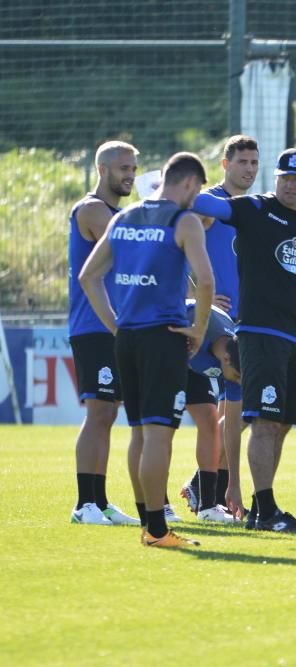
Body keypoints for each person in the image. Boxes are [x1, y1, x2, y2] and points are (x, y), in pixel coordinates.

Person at [192, 147, 296, 533]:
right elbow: (207, 204)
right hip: (259, 333)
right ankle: (265, 510)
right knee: (266, 422)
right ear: (276, 179)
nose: (290, 184)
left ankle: (261, 506)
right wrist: (173, 191)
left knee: (282, 423)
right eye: (284, 176)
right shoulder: (254, 208)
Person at [79, 152, 214, 548]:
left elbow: (89, 276)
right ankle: (157, 530)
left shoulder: (124, 217)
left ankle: (149, 525)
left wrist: (115, 325)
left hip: (129, 338)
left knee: (140, 433)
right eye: (198, 190)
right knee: (159, 435)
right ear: (189, 184)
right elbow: (205, 283)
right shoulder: (184, 220)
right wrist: (199, 329)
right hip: (165, 335)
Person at [179, 135, 259, 519]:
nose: (248, 169)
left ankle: (203, 485)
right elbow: (177, 250)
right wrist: (199, 299)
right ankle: (205, 489)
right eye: (242, 161)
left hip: (246, 321)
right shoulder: (210, 204)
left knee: (240, 413)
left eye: (254, 162)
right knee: (230, 414)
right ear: (225, 165)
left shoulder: (253, 208)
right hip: (211, 326)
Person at [67, 140, 141, 527]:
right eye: (123, 168)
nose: (130, 175)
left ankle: (101, 501)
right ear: (103, 170)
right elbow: (132, 250)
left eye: (133, 168)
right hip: (94, 326)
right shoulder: (94, 210)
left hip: (114, 327)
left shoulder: (120, 214)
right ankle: (84, 504)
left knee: (108, 413)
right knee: (98, 412)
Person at [182, 300, 244, 523]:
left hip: (193, 367)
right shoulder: (192, 322)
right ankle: (160, 506)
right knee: (162, 428)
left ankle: (207, 506)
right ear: (225, 361)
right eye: (237, 377)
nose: (237, 382)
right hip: (168, 353)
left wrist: (234, 485)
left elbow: (233, 426)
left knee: (211, 423)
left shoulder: (234, 357)